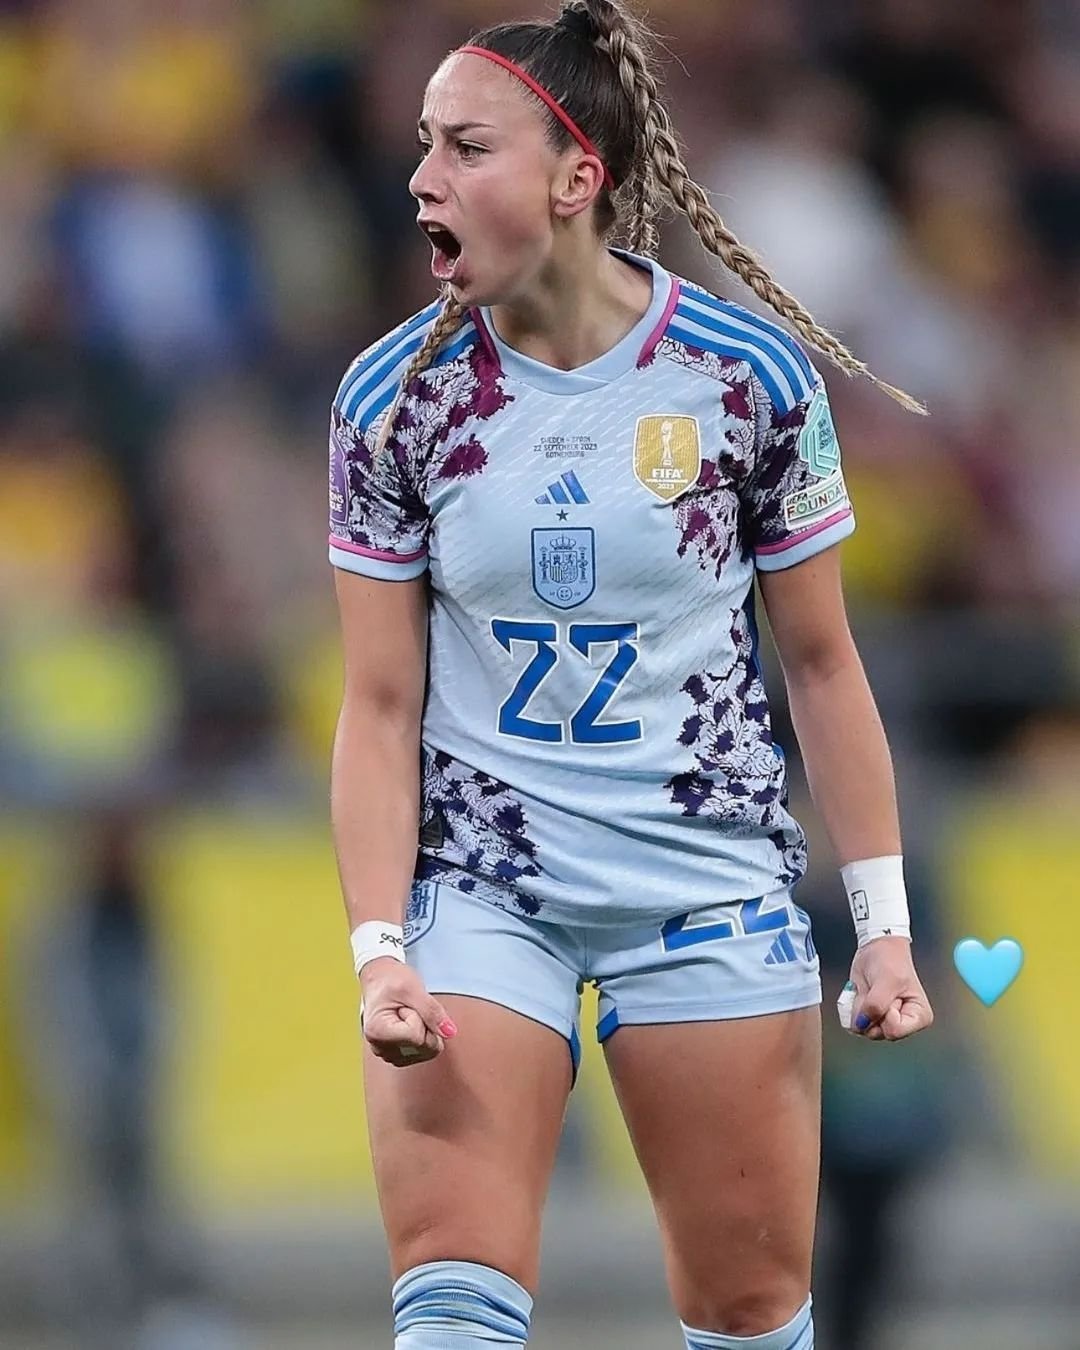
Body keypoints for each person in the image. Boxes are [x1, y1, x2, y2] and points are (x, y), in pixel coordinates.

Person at [327, 3, 935, 1347]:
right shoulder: (394, 401)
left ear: (575, 178)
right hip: (485, 887)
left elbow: (822, 663)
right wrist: (380, 949)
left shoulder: (746, 378)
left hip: (702, 883)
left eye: (465, 146)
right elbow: (377, 704)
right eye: (423, 143)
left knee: (748, 1313)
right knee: (451, 1305)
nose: (422, 178)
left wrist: (882, 923)